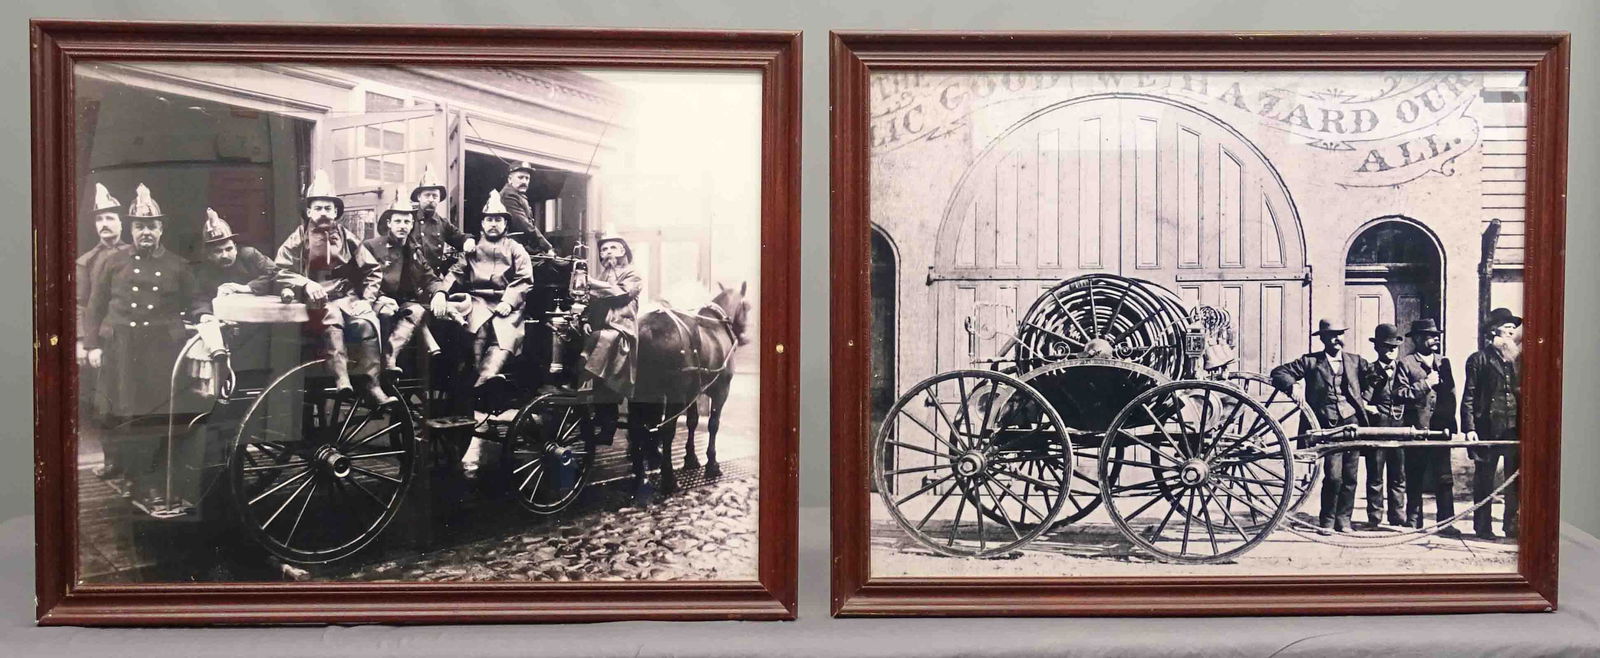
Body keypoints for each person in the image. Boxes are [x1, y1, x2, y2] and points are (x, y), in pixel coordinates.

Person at [82, 184, 214, 508]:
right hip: (122, 350)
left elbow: (196, 299)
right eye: (139, 226)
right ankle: (131, 475)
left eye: (151, 226)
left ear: (160, 229)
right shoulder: (112, 262)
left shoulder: (177, 265)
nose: (145, 232)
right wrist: (92, 345)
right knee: (123, 415)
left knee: (156, 417)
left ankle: (149, 482)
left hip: (161, 353)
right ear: (131, 228)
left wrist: (206, 317)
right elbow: (95, 306)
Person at [271, 170, 392, 406]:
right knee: (332, 319)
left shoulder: (346, 237)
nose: (324, 213)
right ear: (309, 211)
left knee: (367, 324)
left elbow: (372, 269)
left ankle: (372, 384)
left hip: (346, 298)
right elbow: (280, 271)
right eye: (318, 208)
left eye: (328, 208)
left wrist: (367, 299)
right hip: (316, 302)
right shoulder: (298, 238)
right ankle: (342, 378)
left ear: (336, 212)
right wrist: (306, 283)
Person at [440, 189, 532, 478]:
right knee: (476, 334)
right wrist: (441, 293)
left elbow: (524, 279)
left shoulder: (516, 249)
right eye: (489, 220)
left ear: (506, 224)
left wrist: (508, 301)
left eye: (498, 220)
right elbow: (455, 272)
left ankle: (488, 382)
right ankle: (478, 385)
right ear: (482, 224)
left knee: (502, 339)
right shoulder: (472, 248)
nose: (493, 224)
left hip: (507, 305)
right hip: (478, 301)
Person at [1270, 318, 1373, 535]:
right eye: (1331, 336)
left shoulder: (1355, 361)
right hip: (1327, 426)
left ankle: (1344, 520)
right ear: (1324, 339)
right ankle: (1326, 521)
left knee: (1351, 476)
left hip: (1352, 423)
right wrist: (1293, 386)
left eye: (1340, 335)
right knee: (1334, 476)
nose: (1337, 339)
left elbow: (1375, 379)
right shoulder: (1310, 362)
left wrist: (1365, 400)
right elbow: (1279, 372)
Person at [362, 193, 449, 374]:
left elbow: (430, 277)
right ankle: (375, 369)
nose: (402, 226)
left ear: (412, 224)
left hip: (405, 303)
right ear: (389, 223)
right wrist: (381, 298)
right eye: (398, 221)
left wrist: (440, 293)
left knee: (418, 310)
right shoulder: (371, 246)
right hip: (377, 303)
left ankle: (389, 357)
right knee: (387, 312)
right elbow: (359, 279)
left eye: (407, 222)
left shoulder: (414, 249)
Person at [1393, 318, 1462, 536]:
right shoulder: (1406, 363)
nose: (1435, 340)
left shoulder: (1444, 362)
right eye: (1431, 337)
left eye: (1436, 336)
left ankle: (1446, 522)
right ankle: (1414, 521)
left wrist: (1451, 425)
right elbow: (1399, 394)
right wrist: (1426, 383)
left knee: (1444, 478)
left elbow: (1451, 396)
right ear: (1420, 339)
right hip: (1417, 430)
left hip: (1440, 431)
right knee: (1415, 475)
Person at [574, 234, 643, 449]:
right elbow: (591, 301)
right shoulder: (602, 274)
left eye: (614, 247)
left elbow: (621, 294)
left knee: (601, 339)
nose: (608, 252)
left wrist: (591, 283)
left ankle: (585, 386)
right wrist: (585, 319)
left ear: (624, 251)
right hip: (600, 328)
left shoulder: (633, 274)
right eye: (604, 249)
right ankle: (583, 392)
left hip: (621, 329)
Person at [77, 183, 127, 480]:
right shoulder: (86, 262)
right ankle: (112, 462)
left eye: (110, 218)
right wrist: (83, 341)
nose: (105, 224)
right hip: (103, 343)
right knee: (105, 404)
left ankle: (137, 465)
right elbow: (80, 304)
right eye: (99, 219)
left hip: (136, 340)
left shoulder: (137, 254)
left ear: (121, 222)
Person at [1462, 307, 1522, 540]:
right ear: (1493, 331)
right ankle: (1483, 527)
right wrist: (1469, 429)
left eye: (1512, 326)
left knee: (1513, 481)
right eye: (1506, 325)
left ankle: (1511, 526)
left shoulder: (1517, 360)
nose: (1511, 329)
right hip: (1486, 430)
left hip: (1513, 430)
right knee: (1484, 481)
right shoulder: (1479, 359)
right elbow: (1469, 396)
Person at [1361, 323, 1407, 529]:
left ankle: (1397, 517)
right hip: (1377, 430)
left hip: (1400, 429)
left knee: (1398, 475)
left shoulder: (1404, 369)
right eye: (1386, 346)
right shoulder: (1369, 370)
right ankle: (1374, 518)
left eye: (1394, 347)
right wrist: (1372, 410)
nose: (1391, 350)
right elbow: (1363, 399)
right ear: (1377, 348)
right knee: (1375, 475)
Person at [409, 164, 473, 274]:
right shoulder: (408, 220)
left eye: (434, 196)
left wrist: (469, 240)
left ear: (439, 199)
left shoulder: (443, 223)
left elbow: (460, 238)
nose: (431, 199)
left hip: (433, 282)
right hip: (410, 282)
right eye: (427, 195)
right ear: (419, 197)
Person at [499, 160, 554, 254]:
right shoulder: (508, 195)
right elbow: (524, 225)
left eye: (527, 178)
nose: (524, 181)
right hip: (511, 249)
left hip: (519, 247)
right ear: (509, 179)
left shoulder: (517, 194)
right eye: (520, 177)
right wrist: (547, 247)